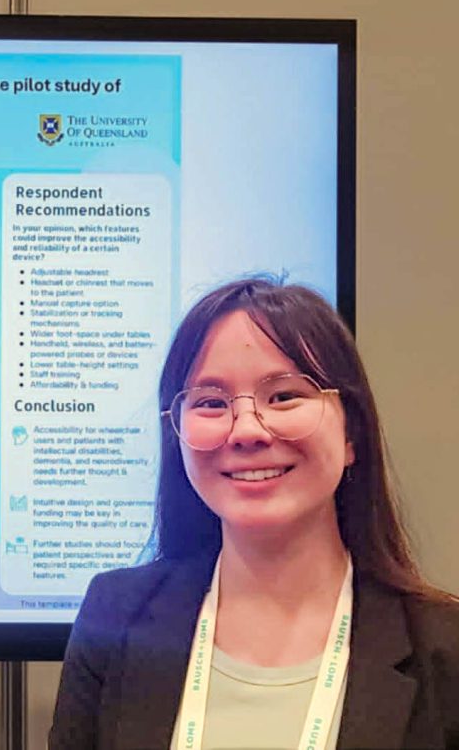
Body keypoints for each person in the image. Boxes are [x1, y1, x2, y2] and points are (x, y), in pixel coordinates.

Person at [49, 277, 459, 750]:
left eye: (284, 396)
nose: (246, 430)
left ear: (352, 434)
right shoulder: (114, 617)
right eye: (211, 403)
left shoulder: (442, 648)